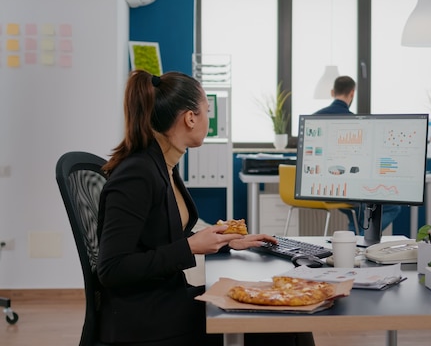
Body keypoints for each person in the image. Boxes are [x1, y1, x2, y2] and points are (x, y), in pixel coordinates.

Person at [97, 70, 315, 346]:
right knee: (285, 323)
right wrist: (191, 247)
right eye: (207, 111)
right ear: (190, 118)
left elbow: (156, 239)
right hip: (144, 321)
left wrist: (225, 241)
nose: (209, 119)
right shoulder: (137, 174)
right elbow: (112, 269)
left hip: (164, 302)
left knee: (285, 314)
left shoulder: (163, 166)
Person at [314, 76, 402, 234]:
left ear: (332, 92)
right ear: (352, 93)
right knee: (392, 206)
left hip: (320, 188)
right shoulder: (356, 122)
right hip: (345, 190)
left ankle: (354, 241)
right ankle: (362, 237)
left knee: (358, 212)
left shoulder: (314, 118)